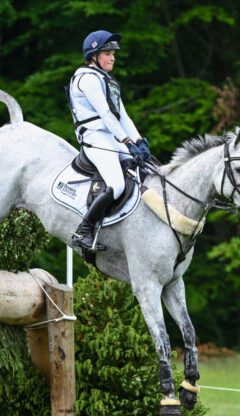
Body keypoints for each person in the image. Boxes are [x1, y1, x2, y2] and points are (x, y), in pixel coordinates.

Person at [67, 30, 152, 251]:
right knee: (116, 184)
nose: (112, 57)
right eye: (107, 53)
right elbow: (105, 115)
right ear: (93, 55)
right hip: (95, 137)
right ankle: (83, 230)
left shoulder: (108, 81)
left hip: (112, 137)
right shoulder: (86, 78)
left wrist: (139, 141)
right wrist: (127, 142)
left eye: (113, 53)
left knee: (146, 170)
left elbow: (123, 116)